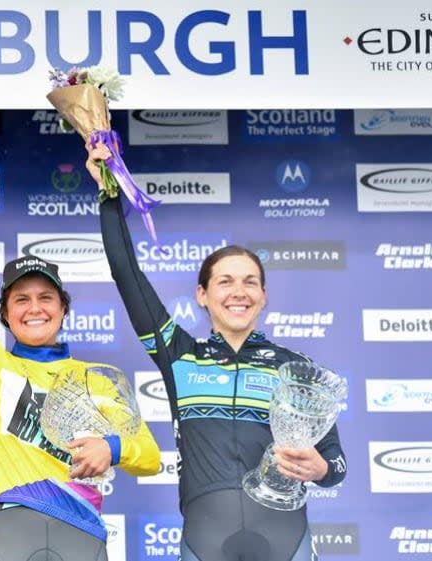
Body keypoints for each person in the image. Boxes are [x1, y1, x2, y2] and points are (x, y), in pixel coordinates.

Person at [87, 144, 346, 561]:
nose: (238, 292)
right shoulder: (180, 355)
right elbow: (126, 274)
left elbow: (335, 464)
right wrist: (109, 194)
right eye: (224, 282)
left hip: (287, 536)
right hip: (205, 539)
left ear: (263, 296)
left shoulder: (294, 371)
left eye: (249, 282)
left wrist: (320, 469)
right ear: (202, 295)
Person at [0, 144, 161, 561]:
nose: (35, 308)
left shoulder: (99, 376)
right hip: (6, 529)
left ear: (63, 308)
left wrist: (110, 449)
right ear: (5, 314)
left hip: (83, 531)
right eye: (21, 300)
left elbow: (148, 456)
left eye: (46, 297)